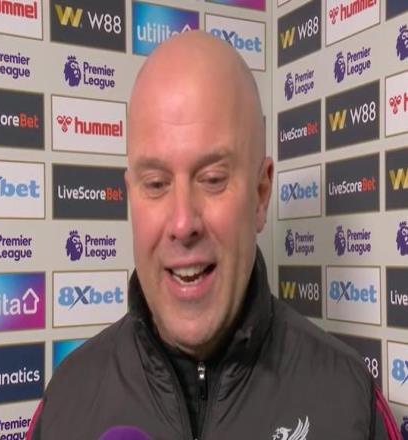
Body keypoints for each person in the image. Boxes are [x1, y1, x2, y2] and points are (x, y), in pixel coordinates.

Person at [27, 31, 398, 440]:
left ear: (260, 194)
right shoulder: (66, 404)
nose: (183, 223)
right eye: (156, 184)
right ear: (131, 197)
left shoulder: (349, 402)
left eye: (213, 179)